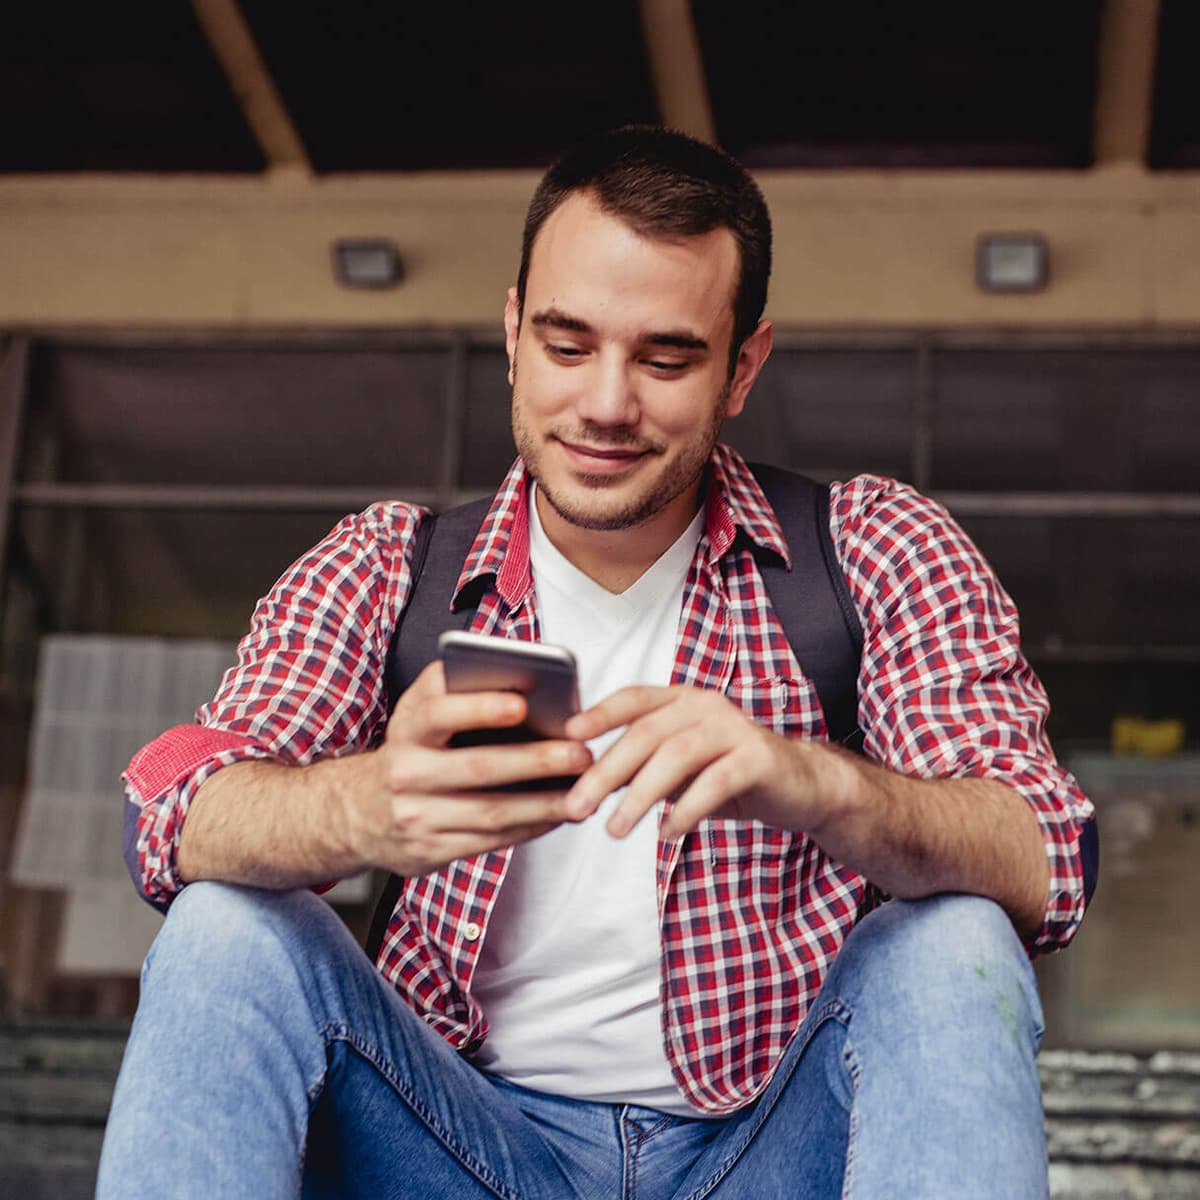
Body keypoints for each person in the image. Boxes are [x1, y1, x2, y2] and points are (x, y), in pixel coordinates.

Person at [98, 126, 1096, 1199]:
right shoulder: (393, 566)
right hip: (458, 1151)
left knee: (954, 942)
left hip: (764, 1152)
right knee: (225, 927)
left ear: (742, 368)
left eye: (665, 359)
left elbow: (1048, 857)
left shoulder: (869, 547)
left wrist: (818, 784)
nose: (608, 405)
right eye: (568, 347)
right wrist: (362, 806)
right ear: (513, 336)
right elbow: (168, 809)